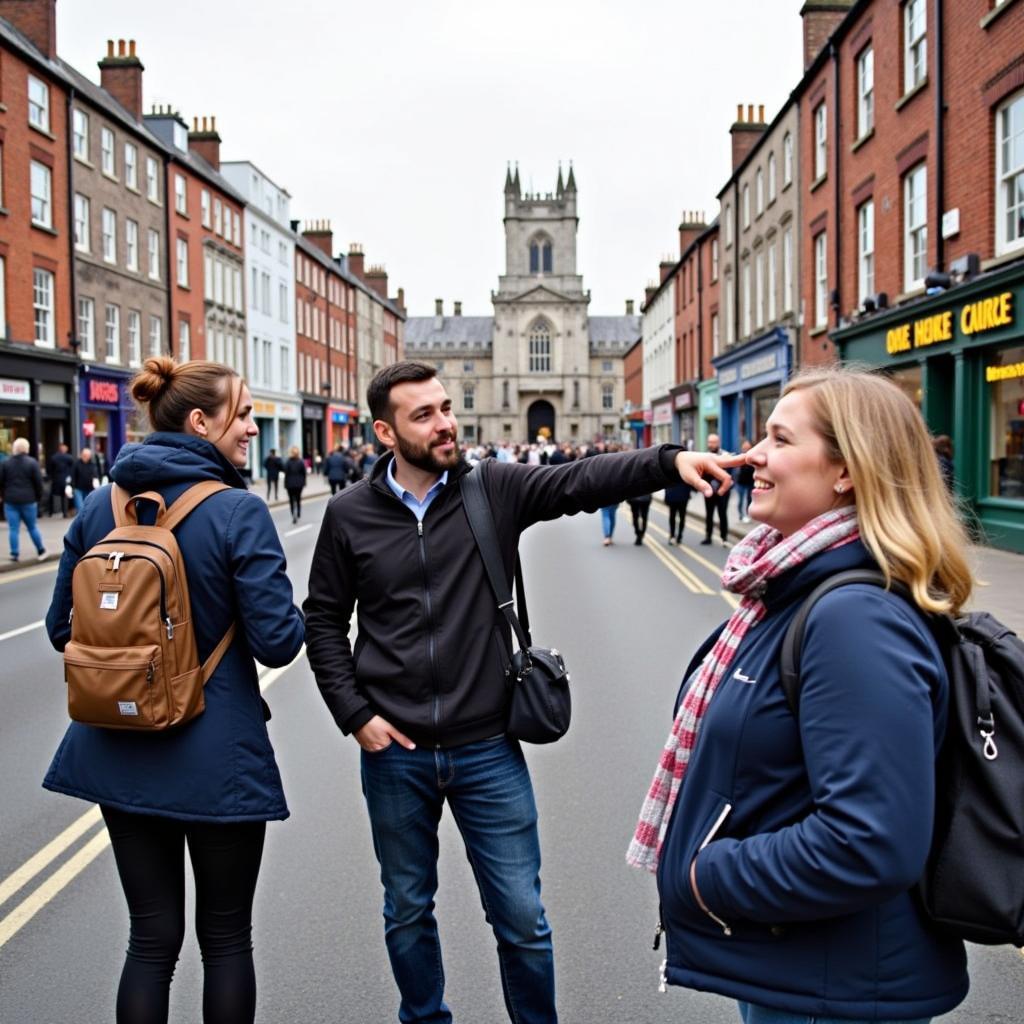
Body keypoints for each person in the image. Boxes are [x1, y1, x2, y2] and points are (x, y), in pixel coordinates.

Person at [303, 360, 732, 1024]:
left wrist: (669, 461)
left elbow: (583, 480)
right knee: (407, 909)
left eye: (446, 407)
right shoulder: (349, 515)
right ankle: (425, 1019)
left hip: (487, 748)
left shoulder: (490, 490)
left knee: (523, 920)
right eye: (425, 415)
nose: (446, 422)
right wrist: (356, 715)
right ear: (386, 433)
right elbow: (324, 619)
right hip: (396, 752)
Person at [627, 367, 973, 1024]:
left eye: (780, 440)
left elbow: (866, 842)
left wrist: (702, 876)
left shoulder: (853, 620)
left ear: (846, 470)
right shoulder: (788, 593)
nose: (754, 454)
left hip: (832, 992)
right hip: (802, 965)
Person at [43, 356, 304, 1024]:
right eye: (243, 415)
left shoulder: (102, 503)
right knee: (224, 939)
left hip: (116, 749)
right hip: (215, 754)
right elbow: (278, 642)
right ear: (200, 421)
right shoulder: (239, 511)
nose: (251, 429)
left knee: (151, 940)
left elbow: (58, 631)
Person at [0, 437, 47, 562]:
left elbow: (1, 481)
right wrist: (38, 498)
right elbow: (38, 483)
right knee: (32, 527)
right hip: (29, 500)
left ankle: (14, 553)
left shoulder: (5, 463)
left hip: (10, 500)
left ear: (14, 448)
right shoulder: (32, 462)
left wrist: (3, 495)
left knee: (13, 528)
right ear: (26, 448)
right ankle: (41, 550)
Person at [701, 432, 730, 546]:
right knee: (709, 514)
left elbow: (730, 474)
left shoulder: (725, 455)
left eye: (713, 442)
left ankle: (724, 538)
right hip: (709, 490)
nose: (711, 444)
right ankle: (708, 536)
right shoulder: (704, 456)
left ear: (718, 443)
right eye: (709, 442)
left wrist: (723, 489)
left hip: (722, 491)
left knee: (722, 514)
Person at [48, 442, 75, 518]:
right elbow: (72, 468)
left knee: (53, 495)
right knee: (65, 496)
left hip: (56, 479)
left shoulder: (54, 457)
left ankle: (50, 512)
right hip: (66, 479)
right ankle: (65, 512)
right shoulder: (69, 457)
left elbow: (50, 469)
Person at [71, 447, 100, 512]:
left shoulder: (92, 464)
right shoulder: (76, 464)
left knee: (88, 507)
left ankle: (85, 521)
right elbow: (72, 475)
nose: (85, 457)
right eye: (84, 455)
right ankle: (81, 521)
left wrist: (96, 482)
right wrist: (72, 487)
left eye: (87, 455)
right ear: (81, 455)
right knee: (80, 507)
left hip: (89, 489)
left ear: (90, 456)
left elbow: (96, 475)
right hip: (78, 489)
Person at [664, 480, 691, 545]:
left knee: (674, 517)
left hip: (677, 496)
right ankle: (678, 536)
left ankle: (673, 536)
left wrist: (666, 496)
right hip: (681, 496)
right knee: (680, 517)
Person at [284, 446, 306, 524]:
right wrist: (304, 482)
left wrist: (285, 484)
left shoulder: (288, 462)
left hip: (290, 484)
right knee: (298, 498)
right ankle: (299, 512)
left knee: (291, 500)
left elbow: (286, 473)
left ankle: (293, 514)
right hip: (299, 484)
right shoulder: (301, 461)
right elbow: (304, 473)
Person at [735, 438, 754, 523]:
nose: (746, 449)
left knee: (749, 500)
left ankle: (748, 515)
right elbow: (736, 470)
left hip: (750, 482)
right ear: (742, 448)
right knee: (741, 500)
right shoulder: (738, 457)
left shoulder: (753, 458)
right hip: (741, 482)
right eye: (744, 448)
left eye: (748, 448)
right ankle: (741, 515)